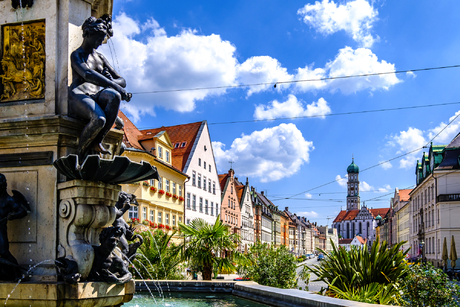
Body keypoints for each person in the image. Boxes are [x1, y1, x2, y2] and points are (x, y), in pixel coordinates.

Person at [69, 15, 131, 162]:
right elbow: (88, 74)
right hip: (80, 94)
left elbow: (122, 81)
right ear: (88, 34)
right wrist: (113, 84)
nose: (99, 43)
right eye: (98, 38)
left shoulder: (100, 58)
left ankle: (98, 140)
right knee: (99, 119)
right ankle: (80, 153)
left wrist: (112, 81)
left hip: (96, 93)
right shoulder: (77, 55)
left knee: (114, 96)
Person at [0, 173, 29, 280]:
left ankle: (18, 274)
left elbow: (23, 211)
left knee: (3, 252)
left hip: (1, 229)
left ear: (3, 186)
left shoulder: (9, 200)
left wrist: (14, 215)